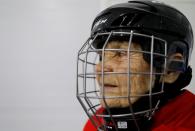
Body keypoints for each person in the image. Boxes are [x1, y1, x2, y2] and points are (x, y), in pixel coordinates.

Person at [76, 0, 195, 130]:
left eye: (122, 53)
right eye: (102, 56)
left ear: (170, 70)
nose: (100, 68)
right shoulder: (95, 122)